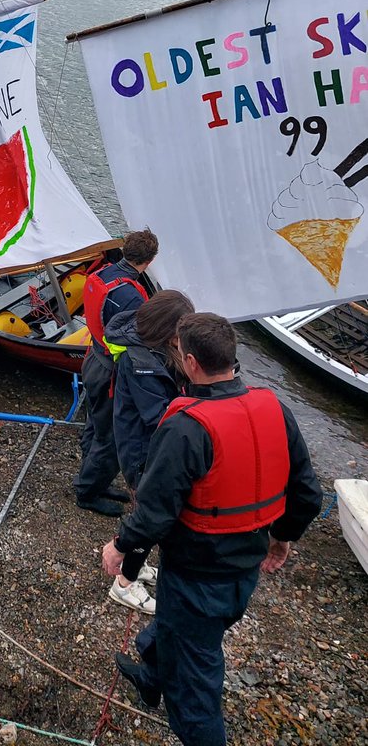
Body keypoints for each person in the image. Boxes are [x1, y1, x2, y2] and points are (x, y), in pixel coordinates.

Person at [101, 312, 322, 746]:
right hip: (245, 569)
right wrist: (284, 535)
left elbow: (155, 512)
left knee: (195, 688)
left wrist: (119, 546)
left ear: (189, 362)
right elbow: (308, 494)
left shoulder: (186, 427)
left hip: (197, 577)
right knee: (183, 632)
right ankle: (151, 675)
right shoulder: (276, 407)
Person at [104, 288, 194, 614]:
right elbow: (157, 417)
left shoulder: (156, 351)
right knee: (150, 516)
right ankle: (124, 584)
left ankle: (133, 564)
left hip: (148, 446)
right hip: (142, 451)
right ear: (166, 330)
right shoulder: (137, 362)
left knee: (145, 512)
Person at [73, 228, 159, 516]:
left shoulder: (103, 274)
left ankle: (93, 475)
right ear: (150, 260)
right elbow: (136, 337)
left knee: (95, 425)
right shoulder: (131, 296)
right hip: (110, 370)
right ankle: (87, 492)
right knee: (110, 436)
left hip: (93, 358)